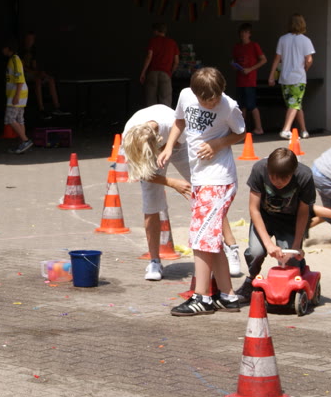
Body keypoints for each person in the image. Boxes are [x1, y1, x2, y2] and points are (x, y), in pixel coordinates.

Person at [158, 67, 247, 316]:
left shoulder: (229, 106)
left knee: (200, 238)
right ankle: (228, 296)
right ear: (195, 94)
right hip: (200, 177)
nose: (212, 103)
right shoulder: (186, 96)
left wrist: (217, 143)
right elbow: (179, 121)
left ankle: (202, 297)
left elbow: (240, 133)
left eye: (215, 98)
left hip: (218, 179)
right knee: (210, 237)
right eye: (207, 100)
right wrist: (169, 146)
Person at [122, 104, 243, 281]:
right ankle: (154, 261)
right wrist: (172, 183)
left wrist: (166, 149)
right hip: (153, 147)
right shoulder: (129, 140)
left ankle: (231, 247)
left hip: (179, 144)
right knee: (150, 202)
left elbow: (179, 143)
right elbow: (142, 172)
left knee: (207, 192)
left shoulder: (171, 122)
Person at [235, 148, 315, 296]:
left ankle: (293, 278)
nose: (278, 182)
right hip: (264, 218)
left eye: (284, 179)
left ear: (293, 173)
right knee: (256, 252)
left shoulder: (304, 176)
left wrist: (297, 245)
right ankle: (252, 280)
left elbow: (304, 213)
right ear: (268, 169)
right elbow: (254, 209)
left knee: (289, 257)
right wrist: (268, 244)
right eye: (273, 177)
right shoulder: (259, 169)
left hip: (289, 221)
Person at [268, 13, 314, 140]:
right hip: (298, 77)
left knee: (294, 104)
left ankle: (304, 130)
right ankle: (286, 129)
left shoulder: (283, 39)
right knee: (295, 104)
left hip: (285, 78)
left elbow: (277, 59)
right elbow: (309, 59)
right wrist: (305, 69)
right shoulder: (305, 40)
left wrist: (271, 76)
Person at [231, 23, 267, 135]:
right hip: (240, 80)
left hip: (250, 80)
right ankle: (242, 129)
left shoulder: (254, 46)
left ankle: (259, 127)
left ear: (250, 34)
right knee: (241, 106)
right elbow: (235, 61)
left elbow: (263, 60)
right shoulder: (237, 47)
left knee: (251, 105)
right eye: (242, 32)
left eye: (246, 32)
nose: (243, 34)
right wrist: (235, 66)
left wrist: (250, 69)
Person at [21, 31, 66, 119]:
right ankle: (41, 109)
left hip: (34, 74)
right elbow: (22, 67)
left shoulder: (34, 51)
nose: (30, 41)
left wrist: (41, 73)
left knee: (50, 79)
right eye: (28, 39)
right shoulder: (21, 51)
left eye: (31, 39)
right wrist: (35, 73)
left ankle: (57, 107)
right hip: (24, 75)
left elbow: (35, 66)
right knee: (37, 80)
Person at [2, 39, 33, 154]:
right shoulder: (14, 59)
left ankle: (25, 140)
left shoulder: (15, 60)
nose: (2, 50)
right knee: (20, 119)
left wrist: (16, 96)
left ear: (8, 48)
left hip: (17, 93)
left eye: (4, 47)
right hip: (19, 93)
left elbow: (20, 79)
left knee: (10, 118)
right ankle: (23, 144)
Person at [139, 23, 179, 108]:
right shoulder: (172, 43)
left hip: (152, 73)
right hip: (166, 74)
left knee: (151, 101)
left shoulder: (153, 41)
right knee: (166, 102)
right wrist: (170, 72)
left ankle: (152, 116)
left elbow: (149, 56)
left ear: (156, 31)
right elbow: (176, 61)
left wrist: (143, 72)